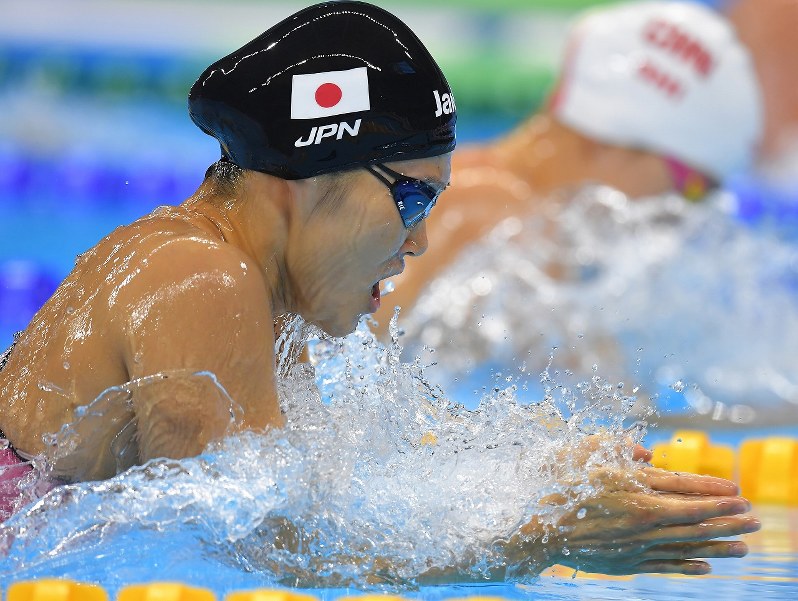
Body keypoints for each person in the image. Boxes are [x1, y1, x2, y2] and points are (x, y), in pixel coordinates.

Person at [0, 0, 758, 578]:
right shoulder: (201, 278)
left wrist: (533, 478)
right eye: (414, 197)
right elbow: (253, 547)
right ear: (316, 174)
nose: (421, 238)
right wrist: (538, 539)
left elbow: (314, 489)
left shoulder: (265, 295)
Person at [372, 0, 763, 333]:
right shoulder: (494, 217)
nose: (684, 216)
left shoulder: (481, 189)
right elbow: (610, 396)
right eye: (694, 187)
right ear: (619, 138)